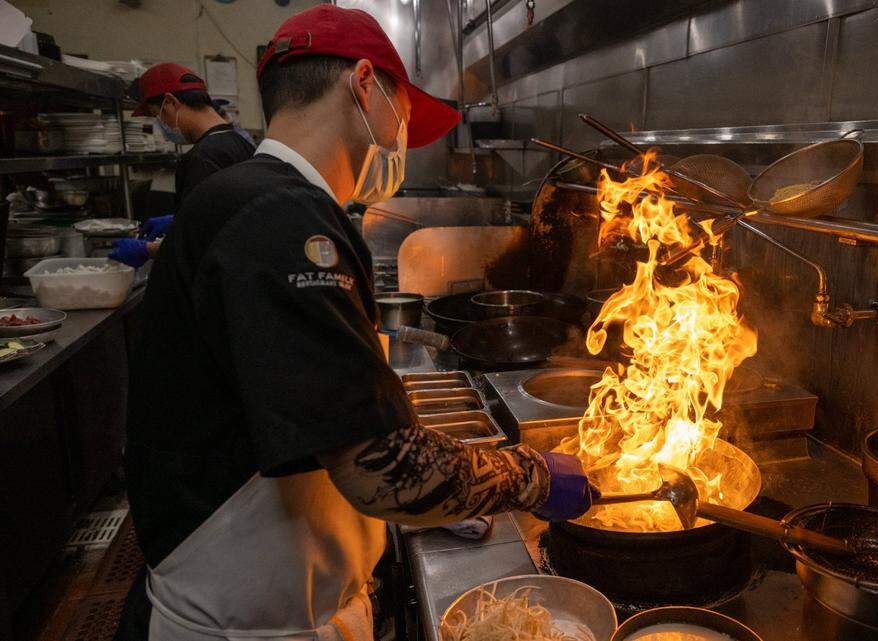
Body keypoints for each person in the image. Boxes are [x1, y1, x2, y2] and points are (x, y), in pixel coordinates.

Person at [115, 6, 595, 641]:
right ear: (364, 85)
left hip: (273, 594)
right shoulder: (284, 217)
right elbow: (378, 464)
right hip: (247, 624)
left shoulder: (252, 199)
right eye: (404, 120)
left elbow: (314, 425)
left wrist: (429, 502)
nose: (399, 144)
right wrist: (527, 476)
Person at [110, 63, 255, 267]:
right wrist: (181, 219)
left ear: (170, 102)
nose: (161, 125)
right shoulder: (240, 142)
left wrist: (147, 250)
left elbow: (199, 243)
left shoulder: (203, 157)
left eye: (156, 115)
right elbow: (228, 215)